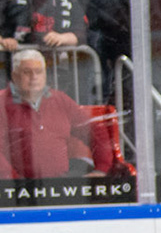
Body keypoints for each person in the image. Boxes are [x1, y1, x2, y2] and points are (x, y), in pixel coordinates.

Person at [0, 47, 117, 180]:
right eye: (27, 72)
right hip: (17, 190)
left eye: (39, 72)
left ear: (45, 74)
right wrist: (15, 183)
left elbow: (94, 131)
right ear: (15, 76)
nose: (34, 77)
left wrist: (101, 169)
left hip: (61, 186)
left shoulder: (60, 100)